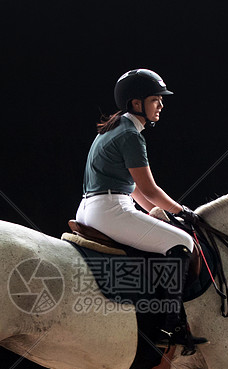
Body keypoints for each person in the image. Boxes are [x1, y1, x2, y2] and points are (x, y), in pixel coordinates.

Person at [75, 69, 206, 349]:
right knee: (183, 242)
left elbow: (135, 189)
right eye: (155, 99)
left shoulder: (115, 128)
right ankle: (170, 329)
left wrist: (155, 214)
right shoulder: (131, 135)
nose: (161, 104)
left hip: (92, 208)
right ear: (137, 104)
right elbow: (150, 190)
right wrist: (183, 212)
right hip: (109, 210)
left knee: (163, 235)